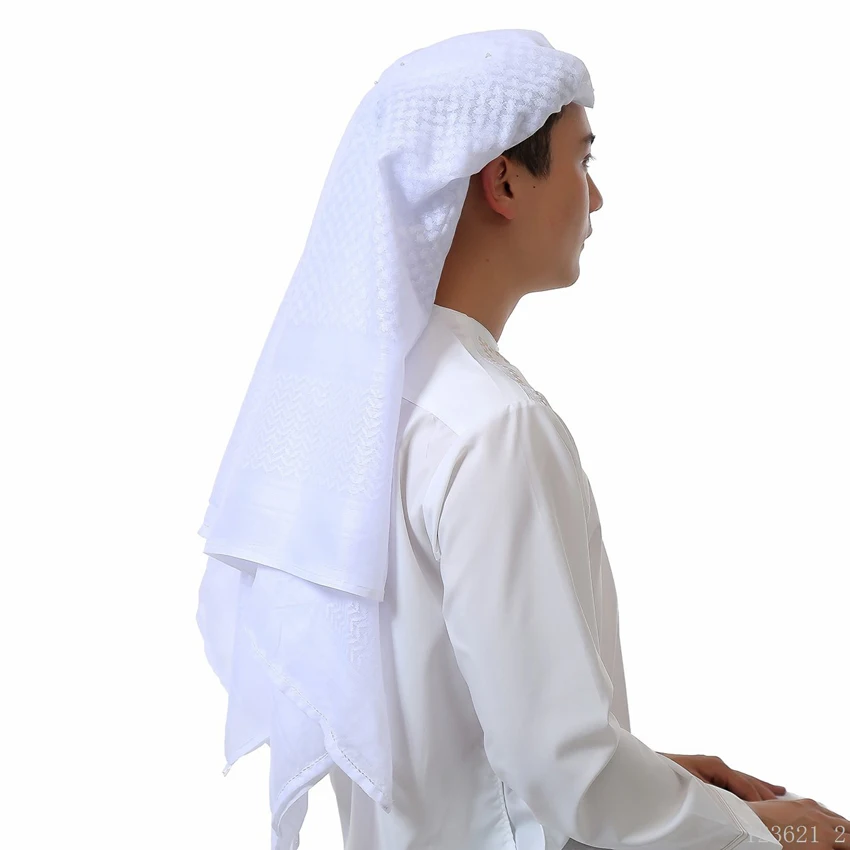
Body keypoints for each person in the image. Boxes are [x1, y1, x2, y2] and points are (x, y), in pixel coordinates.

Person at [195, 29, 848, 849]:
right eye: (582, 160)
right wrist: (772, 831)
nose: (595, 198)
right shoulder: (492, 427)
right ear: (503, 180)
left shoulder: (364, 416)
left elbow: (460, 739)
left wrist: (656, 777)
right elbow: (565, 773)